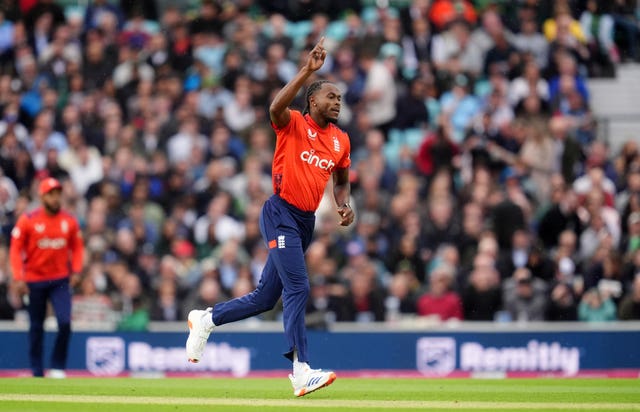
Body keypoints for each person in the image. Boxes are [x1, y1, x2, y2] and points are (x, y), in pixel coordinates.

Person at [186, 37, 354, 397]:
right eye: (331, 96)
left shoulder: (341, 140)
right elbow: (274, 108)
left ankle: (207, 318)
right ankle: (301, 370)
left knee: (265, 298)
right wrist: (308, 70)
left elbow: (341, 180)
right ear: (312, 101)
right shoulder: (293, 122)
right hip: (280, 212)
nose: (337, 102)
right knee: (299, 287)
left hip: (305, 222)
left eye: (340, 98)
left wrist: (344, 203)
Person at [9, 177, 84, 378]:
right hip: (34, 280)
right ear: (43, 196)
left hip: (60, 280)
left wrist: (76, 270)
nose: (56, 197)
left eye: (58, 193)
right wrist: (18, 277)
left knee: (65, 322)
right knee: (36, 326)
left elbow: (77, 247)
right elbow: (15, 249)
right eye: (51, 194)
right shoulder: (29, 220)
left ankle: (57, 367)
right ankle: (37, 371)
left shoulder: (69, 221)